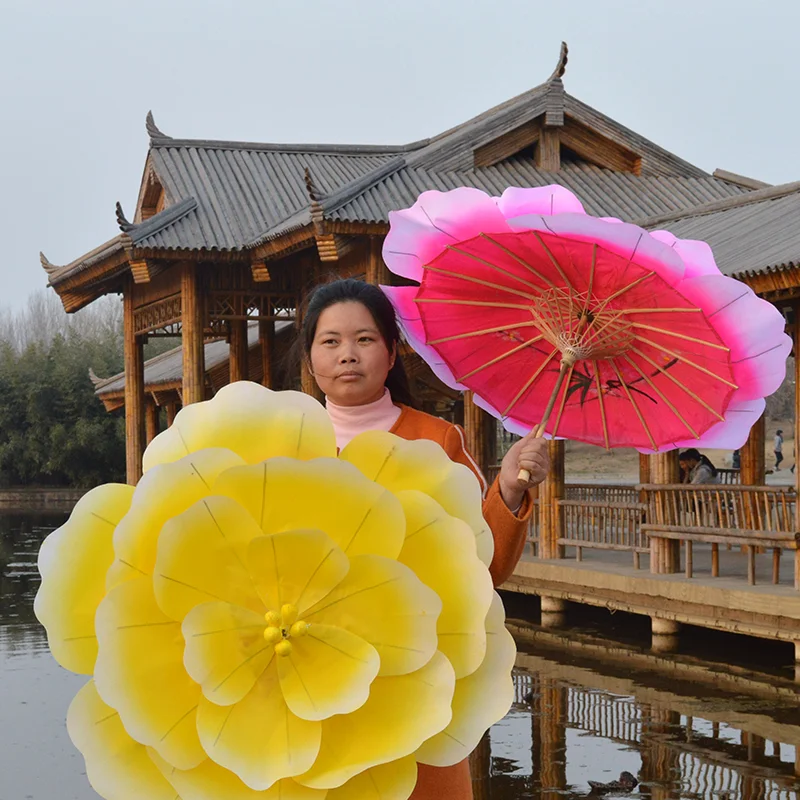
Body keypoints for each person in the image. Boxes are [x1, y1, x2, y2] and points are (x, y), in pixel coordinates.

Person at [301, 278, 549, 800]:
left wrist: (506, 490)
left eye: (365, 340)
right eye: (331, 341)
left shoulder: (435, 440)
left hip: (413, 666)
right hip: (303, 668)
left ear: (392, 354)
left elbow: (483, 571)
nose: (348, 354)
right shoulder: (282, 442)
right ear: (310, 358)